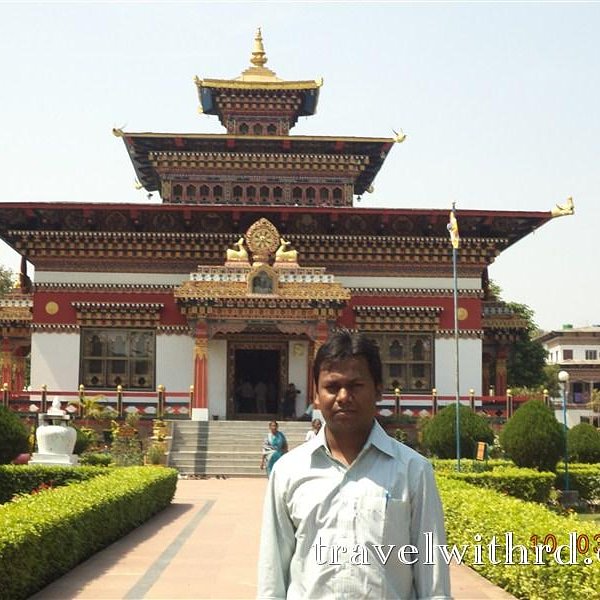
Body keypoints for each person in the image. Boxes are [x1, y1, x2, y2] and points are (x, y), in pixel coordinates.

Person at [257, 329, 451, 599]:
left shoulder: (413, 471)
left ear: (379, 390)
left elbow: (433, 577)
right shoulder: (289, 472)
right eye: (332, 387)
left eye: (356, 385)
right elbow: (272, 574)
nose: (344, 396)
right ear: (316, 395)